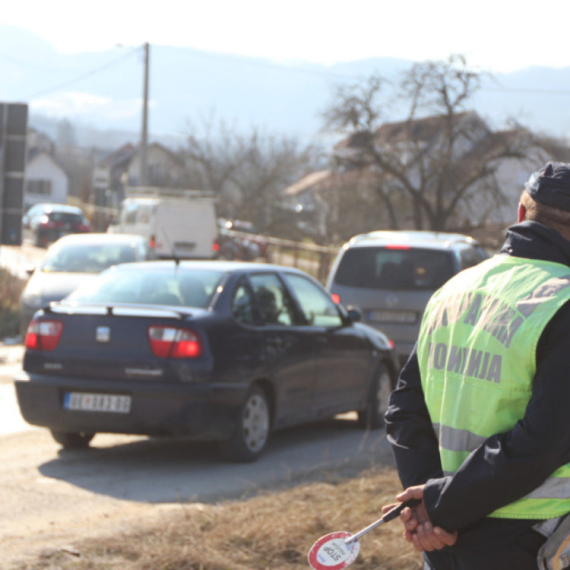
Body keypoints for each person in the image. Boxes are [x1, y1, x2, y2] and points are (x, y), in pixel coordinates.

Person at [384, 161, 570, 570]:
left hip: (446, 541)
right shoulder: (563, 302)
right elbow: (543, 442)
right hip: (531, 538)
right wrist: (439, 507)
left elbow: (403, 410)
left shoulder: (454, 289)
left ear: (521, 214)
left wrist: (431, 504)